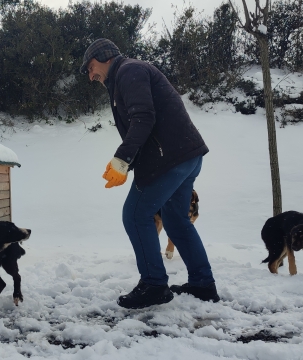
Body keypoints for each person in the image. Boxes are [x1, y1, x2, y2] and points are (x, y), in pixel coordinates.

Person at [80, 38, 220, 309]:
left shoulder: (128, 72)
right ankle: (203, 284)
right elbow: (146, 121)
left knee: (135, 214)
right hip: (186, 157)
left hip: (168, 160)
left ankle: (154, 284)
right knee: (176, 220)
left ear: (105, 56)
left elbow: (143, 119)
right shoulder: (129, 73)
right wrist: (128, 162)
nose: (91, 75)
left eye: (90, 67)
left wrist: (122, 159)